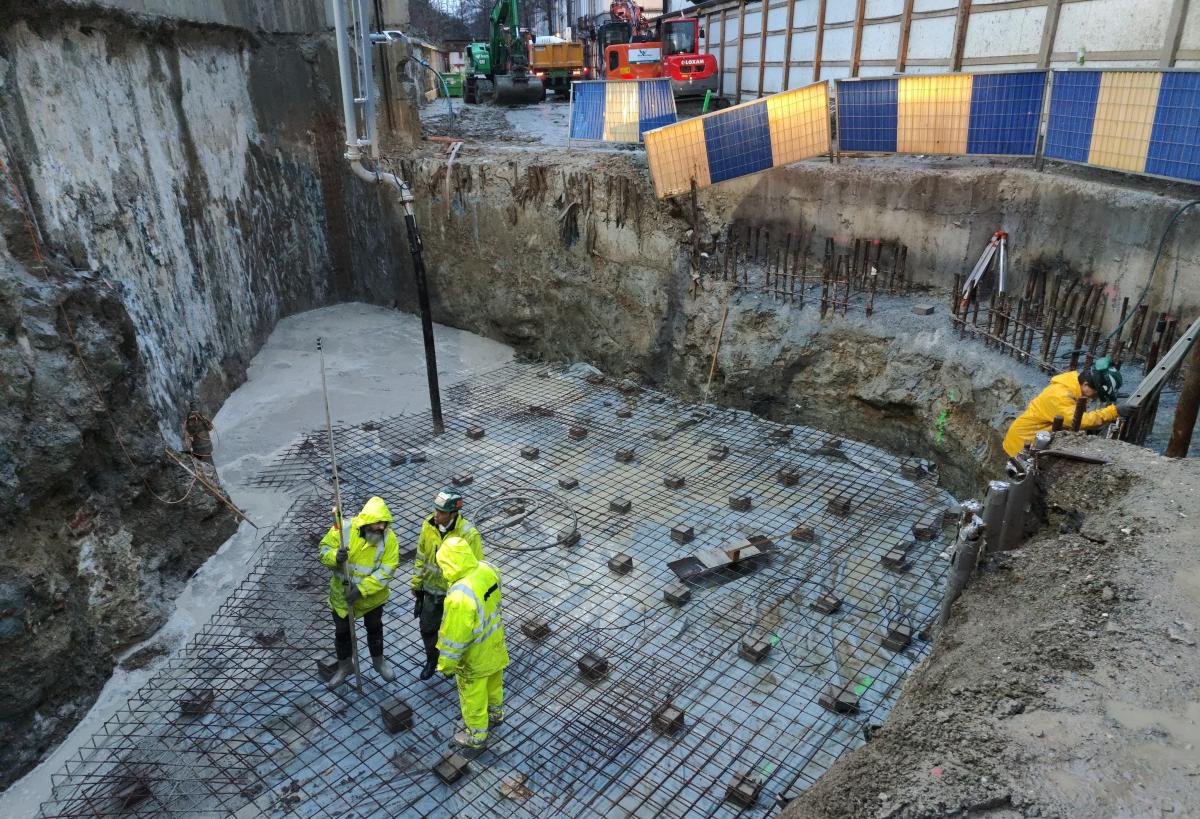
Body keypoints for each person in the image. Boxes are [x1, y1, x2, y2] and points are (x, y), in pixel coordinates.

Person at [435, 533, 509, 751]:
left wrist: (446, 666)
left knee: (473, 696)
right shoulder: (487, 568)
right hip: (495, 644)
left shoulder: (460, 596)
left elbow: (455, 639)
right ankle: (496, 714)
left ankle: (476, 736)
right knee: (494, 683)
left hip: (474, 657)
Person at [317, 496, 400, 688]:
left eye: (384, 523)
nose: (381, 527)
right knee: (342, 632)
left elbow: (387, 570)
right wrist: (334, 557)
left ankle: (379, 663)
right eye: (377, 523)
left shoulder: (389, 539)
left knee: (374, 628)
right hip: (342, 596)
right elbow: (323, 550)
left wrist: (362, 589)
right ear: (366, 522)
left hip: (372, 598)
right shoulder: (344, 530)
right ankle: (345, 666)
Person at [412, 487, 483, 680]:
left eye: (441, 512)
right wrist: (417, 585)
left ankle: (454, 665)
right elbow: (421, 556)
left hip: (455, 595)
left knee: (456, 634)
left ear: (453, 513)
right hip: (431, 590)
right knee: (427, 628)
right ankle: (432, 660)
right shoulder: (428, 525)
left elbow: (475, 569)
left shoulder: (468, 534)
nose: (436, 514)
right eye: (435, 509)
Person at [1003, 358, 1124, 456]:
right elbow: (1079, 421)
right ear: (1086, 384)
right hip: (1021, 443)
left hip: (1033, 438)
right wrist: (1114, 412)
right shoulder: (1060, 396)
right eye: (1097, 393)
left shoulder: (1073, 386)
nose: (1095, 397)